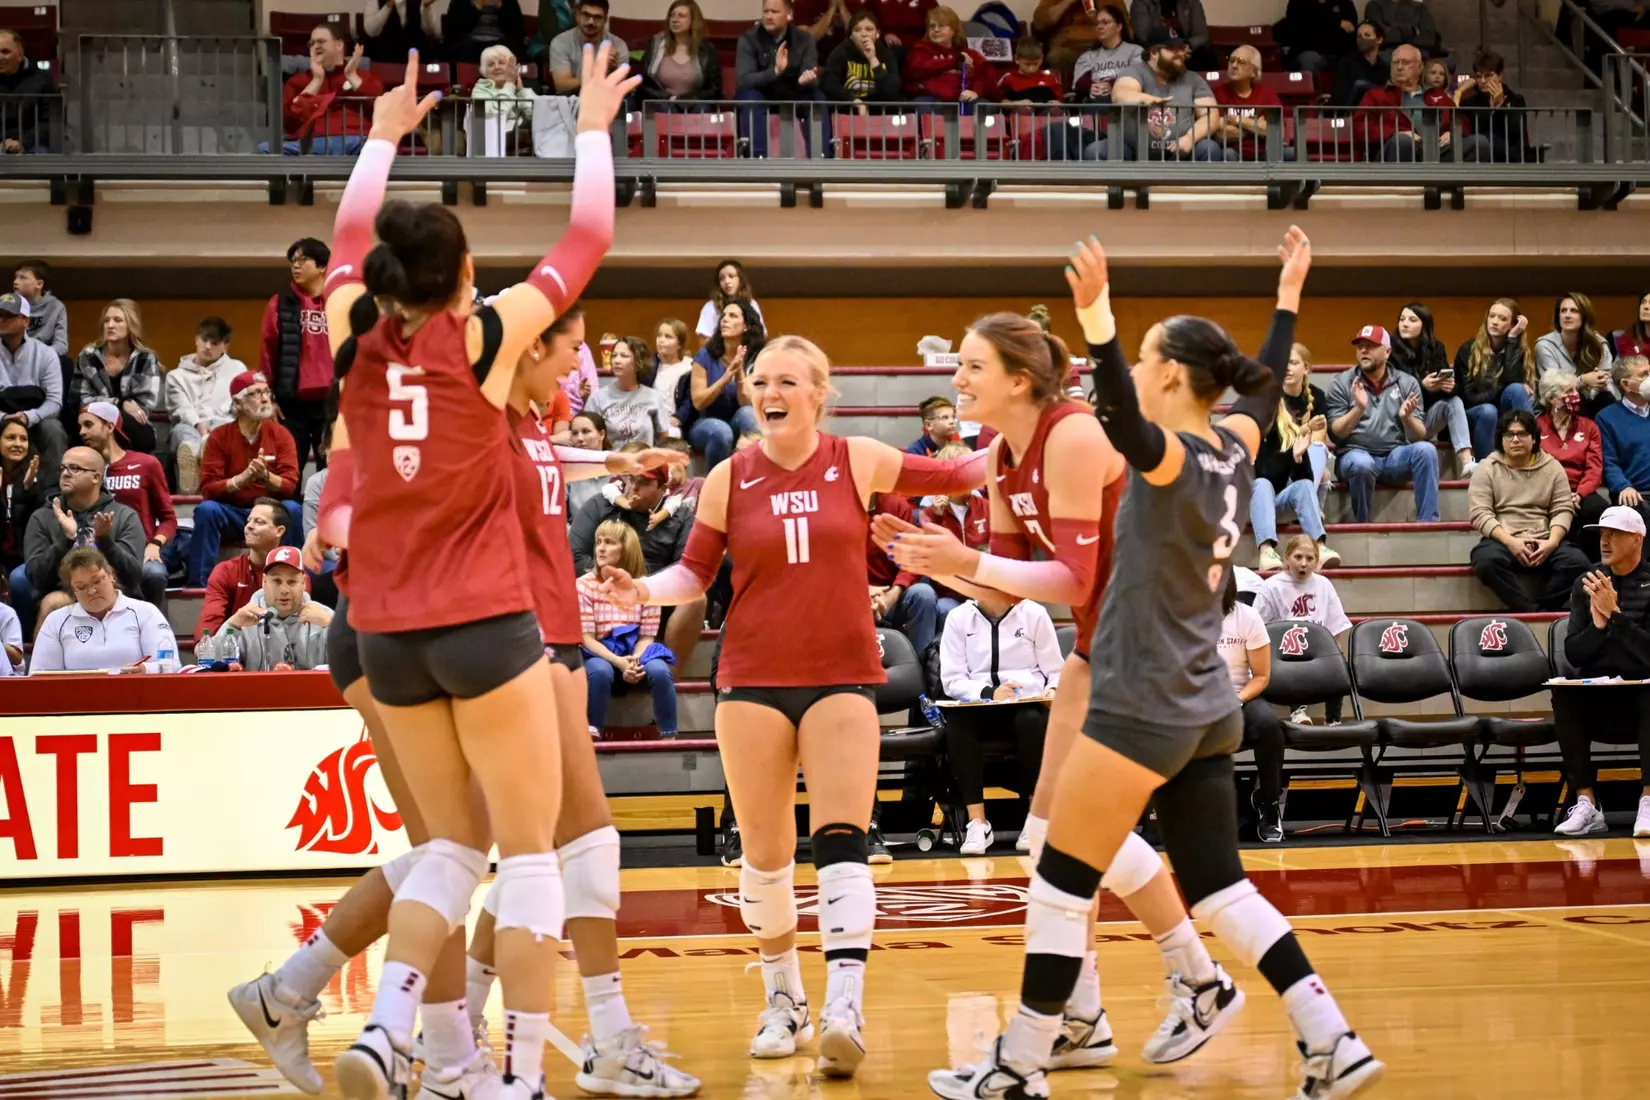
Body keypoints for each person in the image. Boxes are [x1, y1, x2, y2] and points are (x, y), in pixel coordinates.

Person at [926, 226, 1381, 1100]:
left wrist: (1095, 310)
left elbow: (1123, 416)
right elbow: (1252, 379)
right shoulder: (1236, 446)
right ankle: (1332, 1036)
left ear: (1171, 376)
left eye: (1141, 357)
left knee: (1060, 874)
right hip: (1212, 704)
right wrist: (1286, 301)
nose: (1129, 368)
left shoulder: (1167, 455)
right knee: (1220, 889)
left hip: (1143, 701)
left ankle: (1020, 1065)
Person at [314, 49, 637, 1100]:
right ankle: (522, 1075)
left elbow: (348, 236)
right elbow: (588, 235)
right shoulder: (492, 333)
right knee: (529, 853)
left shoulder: (349, 324)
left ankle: (386, 1024)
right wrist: (590, 123)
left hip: (387, 630)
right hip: (488, 620)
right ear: (463, 278)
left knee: (449, 844)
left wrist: (382, 131)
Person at [598, 332, 997, 1077]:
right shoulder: (729, 475)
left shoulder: (859, 460)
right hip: (751, 676)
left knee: (845, 838)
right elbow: (692, 574)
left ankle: (845, 1005)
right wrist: (642, 591)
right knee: (767, 854)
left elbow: (963, 474)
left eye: (788, 380)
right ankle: (784, 1000)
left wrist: (1029, 418)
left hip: (842, 669)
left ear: (820, 393)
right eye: (761, 382)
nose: (770, 392)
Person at [1552, 505, 1650, 839]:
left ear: (1637, 539)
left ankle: (1649, 800)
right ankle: (1587, 803)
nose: (1604, 541)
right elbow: (1575, 654)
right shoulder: (1587, 581)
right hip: (1602, 700)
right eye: (1601, 535)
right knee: (1565, 693)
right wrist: (1597, 625)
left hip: (1643, 700)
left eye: (1614, 534)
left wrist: (1616, 616)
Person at [938, 588, 1061, 854]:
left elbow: (1056, 672)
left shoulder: (1034, 614)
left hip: (1025, 703)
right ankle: (977, 823)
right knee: (958, 721)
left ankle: (1035, 818)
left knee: (1030, 720)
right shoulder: (958, 618)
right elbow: (952, 679)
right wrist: (989, 693)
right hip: (980, 705)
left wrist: (1052, 691)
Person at [1467, 408, 1591, 613]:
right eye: (1509, 434)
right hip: (1504, 539)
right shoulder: (1487, 468)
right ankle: (1530, 611)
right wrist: (1510, 541)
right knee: (1486, 561)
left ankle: (1546, 606)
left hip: (1544, 538)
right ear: (1502, 439)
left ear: (1534, 438)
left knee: (1578, 563)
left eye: (1522, 434)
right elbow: (1480, 514)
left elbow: (1562, 508)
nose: (1515, 439)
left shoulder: (1552, 467)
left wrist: (1552, 542)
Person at [187, 372, 303, 588]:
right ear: (238, 403)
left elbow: (289, 485)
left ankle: (294, 578)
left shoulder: (281, 435)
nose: (265, 398)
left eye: (266, 392)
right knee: (207, 510)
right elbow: (209, 489)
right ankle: (199, 586)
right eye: (256, 393)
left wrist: (265, 477)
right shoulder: (219, 436)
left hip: (270, 513)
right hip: (233, 512)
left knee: (293, 510)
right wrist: (242, 478)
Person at [15, 446, 145, 639]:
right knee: (52, 603)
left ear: (96, 477)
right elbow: (36, 578)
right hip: (64, 594)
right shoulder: (42, 517)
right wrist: (64, 541)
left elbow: (132, 577)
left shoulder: (124, 516)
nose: (65, 474)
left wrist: (105, 541)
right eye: (63, 468)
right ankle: (41, 669)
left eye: (74, 468)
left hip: (113, 595)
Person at [1327, 323, 1439, 523]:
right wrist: (1358, 409)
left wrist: (1407, 418)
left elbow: (1418, 435)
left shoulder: (1407, 383)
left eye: (1370, 346)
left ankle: (1428, 522)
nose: (1363, 350)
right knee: (1362, 464)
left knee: (1426, 450)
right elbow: (1337, 434)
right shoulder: (1342, 382)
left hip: (1393, 457)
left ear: (1387, 352)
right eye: (1360, 346)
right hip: (1354, 454)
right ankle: (1363, 526)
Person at [580, 520, 680, 738]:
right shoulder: (583, 585)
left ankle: (669, 736)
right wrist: (618, 662)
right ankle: (592, 735)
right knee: (599, 672)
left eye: (609, 542)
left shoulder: (645, 587)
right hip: (598, 650)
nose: (601, 548)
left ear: (626, 549)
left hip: (635, 649)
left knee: (660, 671)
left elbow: (646, 636)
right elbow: (586, 639)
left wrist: (633, 661)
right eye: (598, 542)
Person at [77, 401, 177, 608]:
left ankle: (154, 631)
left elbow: (169, 518)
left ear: (109, 426)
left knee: (154, 574)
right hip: (95, 549)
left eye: (88, 425)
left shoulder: (146, 464)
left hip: (138, 550)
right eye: (80, 426)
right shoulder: (81, 468)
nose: (81, 432)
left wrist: (154, 545)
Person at [1251, 343, 1336, 570]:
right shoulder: (1263, 422)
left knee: (1305, 484)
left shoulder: (1314, 398)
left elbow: (1305, 478)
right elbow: (1265, 474)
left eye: (1293, 362)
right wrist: (1298, 442)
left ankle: (1319, 546)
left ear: (1306, 368)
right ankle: (1267, 552)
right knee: (1260, 484)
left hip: (1286, 499)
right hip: (1262, 503)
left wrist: (1298, 458)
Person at [29, 547, 179, 673]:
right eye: (81, 587)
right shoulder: (56, 621)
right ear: (73, 591)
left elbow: (171, 665)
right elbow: (40, 675)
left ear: (110, 575)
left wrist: (145, 669)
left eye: (96, 581)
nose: (92, 591)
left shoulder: (145, 613)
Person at [1215, 569, 1283, 842]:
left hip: (1239, 696)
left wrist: (1237, 700)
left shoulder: (1247, 616)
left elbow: (1263, 676)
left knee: (1268, 726)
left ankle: (1269, 803)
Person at [260, 238, 336, 474]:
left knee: (331, 474)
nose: (296, 265)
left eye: (303, 259)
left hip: (333, 404)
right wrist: (268, 397)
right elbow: (267, 351)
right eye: (292, 260)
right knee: (288, 473)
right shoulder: (280, 303)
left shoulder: (339, 300)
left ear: (323, 266)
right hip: (291, 404)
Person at [1357, 44, 1491, 163]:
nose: (1399, 67)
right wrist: (1396, 133)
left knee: (1480, 143)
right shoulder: (1375, 95)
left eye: (1405, 62)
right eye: (1395, 63)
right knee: (1403, 143)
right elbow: (1358, 127)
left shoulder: (1438, 95)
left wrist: (1453, 133)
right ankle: (1407, 190)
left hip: (1438, 150)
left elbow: (1462, 123)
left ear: (1420, 67)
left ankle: (1455, 189)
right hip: (1399, 150)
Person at [1104, 28, 1221, 161]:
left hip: (1179, 153)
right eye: (1173, 48)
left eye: (1181, 48)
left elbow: (1211, 114)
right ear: (1154, 52)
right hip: (1135, 152)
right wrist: (1148, 99)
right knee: (1097, 150)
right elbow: (1120, 93)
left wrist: (1190, 138)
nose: (1180, 53)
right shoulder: (1135, 71)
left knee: (1209, 148)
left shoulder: (1193, 79)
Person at [210, 545, 334, 669]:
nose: (284, 590)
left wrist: (332, 626)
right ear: (264, 582)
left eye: (292, 582)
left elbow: (349, 667)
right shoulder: (246, 618)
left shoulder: (325, 616)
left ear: (303, 582)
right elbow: (210, 665)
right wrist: (232, 625)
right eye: (277, 581)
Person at [1391, 301, 1475, 473]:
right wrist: (1421, 386)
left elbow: (1451, 390)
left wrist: (1448, 387)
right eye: (1402, 319)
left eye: (1412, 320)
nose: (1405, 324)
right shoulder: (1390, 351)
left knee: (1454, 401)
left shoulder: (1436, 348)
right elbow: (1393, 393)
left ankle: (1467, 462)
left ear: (1424, 325)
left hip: (1425, 419)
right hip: (1400, 421)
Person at [274, 25, 385, 155]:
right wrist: (316, 80)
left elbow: (381, 108)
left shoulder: (363, 76)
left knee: (380, 148)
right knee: (265, 150)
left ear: (339, 45)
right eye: (312, 43)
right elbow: (290, 121)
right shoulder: (298, 81)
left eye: (321, 41)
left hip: (355, 141)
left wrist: (351, 76)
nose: (316, 46)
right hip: (311, 143)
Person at [197, 499, 300, 637]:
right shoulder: (225, 571)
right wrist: (234, 622)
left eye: (259, 522)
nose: (249, 526)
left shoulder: (296, 573)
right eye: (248, 521)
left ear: (279, 531)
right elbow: (206, 635)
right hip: (235, 652)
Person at [735, 0, 826, 155]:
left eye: (775, 12)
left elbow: (810, 73)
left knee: (817, 97)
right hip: (761, 93)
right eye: (766, 12)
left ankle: (821, 156)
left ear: (789, 15)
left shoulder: (805, 39)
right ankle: (758, 157)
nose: (769, 16)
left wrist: (805, 80)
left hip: (794, 91)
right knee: (750, 97)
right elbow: (744, 80)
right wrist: (775, 72)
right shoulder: (748, 39)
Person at [1450, 298, 1536, 462]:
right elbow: (1469, 398)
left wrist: (1512, 339)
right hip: (1473, 415)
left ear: (1512, 325)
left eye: (1503, 319)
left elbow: (1512, 384)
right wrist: (1502, 386)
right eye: (1492, 316)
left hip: (1502, 414)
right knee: (1489, 411)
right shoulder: (1468, 350)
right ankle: (1487, 467)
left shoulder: (1517, 350)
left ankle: (1534, 453)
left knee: (1517, 390)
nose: (1495, 322)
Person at [167, 316, 246, 494]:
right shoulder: (176, 376)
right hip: (190, 427)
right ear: (196, 340)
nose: (208, 346)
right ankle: (193, 463)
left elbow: (241, 403)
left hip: (223, 425)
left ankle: (204, 456)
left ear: (225, 346)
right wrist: (199, 425)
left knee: (226, 430)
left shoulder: (237, 369)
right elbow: (181, 408)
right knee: (183, 433)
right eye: (204, 340)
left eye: (215, 342)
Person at [73, 299, 161, 455]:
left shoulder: (145, 358)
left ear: (131, 325)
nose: (110, 325)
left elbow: (146, 403)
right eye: (107, 321)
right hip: (93, 419)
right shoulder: (88, 356)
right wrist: (120, 403)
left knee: (139, 433)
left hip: (132, 423)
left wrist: (116, 409)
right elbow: (82, 400)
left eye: (118, 320)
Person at [1537, 368, 1607, 558]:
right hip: (1549, 492)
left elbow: (1594, 469)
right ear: (1552, 399)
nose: (1575, 396)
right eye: (1568, 392)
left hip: (1581, 491)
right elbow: (1534, 468)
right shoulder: (1536, 427)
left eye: (1576, 391)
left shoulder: (1589, 426)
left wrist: (1579, 495)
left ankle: (1593, 565)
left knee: (1598, 509)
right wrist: (1562, 495)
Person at [0, 290, 67, 486]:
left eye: (9, 316)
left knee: (53, 428)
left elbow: (54, 402)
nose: (2, 320)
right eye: (0, 315)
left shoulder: (46, 354)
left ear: (26, 321)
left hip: (34, 418)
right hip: (1, 415)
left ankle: (55, 490)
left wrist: (28, 417)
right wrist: (4, 417)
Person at [686, 300, 763, 469]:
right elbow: (698, 402)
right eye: (723, 316)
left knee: (749, 413)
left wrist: (740, 372)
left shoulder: (755, 357)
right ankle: (717, 485)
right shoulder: (705, 355)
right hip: (705, 423)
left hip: (737, 420)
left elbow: (746, 402)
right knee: (721, 431)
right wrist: (725, 378)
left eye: (732, 316)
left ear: (746, 326)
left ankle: (756, 477)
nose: (724, 320)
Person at [1535, 292, 1616, 421]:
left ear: (1584, 316)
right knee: (1576, 399)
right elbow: (1553, 389)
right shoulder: (1545, 345)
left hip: (1593, 400)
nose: (1567, 315)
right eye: (1563, 311)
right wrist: (1582, 381)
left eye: (1573, 311)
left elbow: (1609, 382)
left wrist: (1599, 384)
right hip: (1557, 405)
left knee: (1607, 399)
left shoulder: (1599, 344)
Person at [586, 336, 674, 448]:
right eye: (614, 356)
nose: (617, 361)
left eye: (624, 356)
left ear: (638, 362)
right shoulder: (597, 398)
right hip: (610, 462)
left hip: (644, 461)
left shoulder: (654, 397)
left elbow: (664, 441)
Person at [1595, 348, 1650, 527]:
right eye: (1644, 375)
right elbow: (1609, 462)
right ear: (1626, 384)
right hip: (1635, 491)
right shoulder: (1606, 417)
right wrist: (1623, 486)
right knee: (1635, 512)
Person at [902, 6, 997, 105]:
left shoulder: (969, 54)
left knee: (983, 106)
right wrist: (953, 62)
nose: (936, 30)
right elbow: (915, 70)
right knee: (924, 104)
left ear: (954, 29)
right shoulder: (920, 50)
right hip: (931, 99)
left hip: (962, 100)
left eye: (941, 25)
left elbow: (986, 78)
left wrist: (976, 92)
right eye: (932, 26)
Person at [638, 0, 725, 104]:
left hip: (695, 107)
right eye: (672, 15)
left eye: (681, 16)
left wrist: (688, 101)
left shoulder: (707, 50)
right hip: (660, 104)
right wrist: (668, 99)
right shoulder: (655, 45)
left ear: (693, 20)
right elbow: (643, 83)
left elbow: (715, 90)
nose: (675, 20)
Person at [1211, 45, 1286, 162]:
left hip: (1264, 152)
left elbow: (1277, 132)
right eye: (1231, 60)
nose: (1234, 65)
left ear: (1254, 71)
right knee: (1227, 154)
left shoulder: (1267, 94)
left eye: (1241, 62)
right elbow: (1219, 133)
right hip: (1233, 152)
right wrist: (1257, 127)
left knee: (1292, 153)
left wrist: (1238, 120)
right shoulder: (1218, 93)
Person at [822, 10, 903, 107]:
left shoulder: (886, 54)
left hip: (880, 110)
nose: (864, 34)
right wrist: (853, 100)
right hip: (849, 110)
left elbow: (891, 92)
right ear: (851, 36)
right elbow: (830, 85)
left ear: (877, 34)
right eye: (857, 30)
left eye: (869, 29)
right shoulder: (840, 53)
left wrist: (873, 59)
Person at [549, 0, 627, 92]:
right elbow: (562, 86)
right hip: (573, 99)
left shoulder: (618, 45)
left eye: (597, 17)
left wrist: (614, 70)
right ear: (577, 16)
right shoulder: (560, 42)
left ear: (605, 20)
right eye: (586, 15)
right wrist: (598, 74)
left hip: (605, 98)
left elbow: (622, 89)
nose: (591, 22)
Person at [1071, 5, 1142, 103]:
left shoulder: (1135, 51)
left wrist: (1113, 85)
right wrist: (1090, 87)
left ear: (1118, 27)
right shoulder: (1087, 57)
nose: (1099, 27)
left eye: (1105, 22)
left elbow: (1139, 77)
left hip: (1124, 103)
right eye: (1097, 23)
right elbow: (1078, 84)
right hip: (1094, 103)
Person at [0, 419, 42, 575]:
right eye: (10, 438)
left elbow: (38, 524)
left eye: (23, 439)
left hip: (25, 558)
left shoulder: (37, 473)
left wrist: (28, 488)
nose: (18, 444)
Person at [1276, 0, 1357, 75]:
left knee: (1354, 61)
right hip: (1310, 51)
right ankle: (1311, 89)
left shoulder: (1344, 3)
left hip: (1339, 54)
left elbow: (1351, 28)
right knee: (1308, 58)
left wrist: (1321, 25)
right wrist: (1336, 23)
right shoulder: (1298, 3)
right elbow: (1302, 24)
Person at [695, 260, 764, 343]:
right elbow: (704, 338)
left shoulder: (752, 303)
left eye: (731, 276)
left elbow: (761, 335)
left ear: (740, 280)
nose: (726, 282)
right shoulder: (711, 306)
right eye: (721, 279)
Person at [445, 0, 529, 65]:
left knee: (513, 51)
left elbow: (517, 30)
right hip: (469, 41)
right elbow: (456, 29)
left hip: (501, 41)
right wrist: (477, 6)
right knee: (461, 51)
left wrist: (501, 6)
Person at [12, 260, 67, 356]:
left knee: (65, 363)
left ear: (39, 284)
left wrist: (37, 356)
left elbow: (61, 345)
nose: (15, 282)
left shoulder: (56, 306)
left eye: (22, 278)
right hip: (13, 357)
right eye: (16, 277)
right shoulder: (7, 304)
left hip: (44, 358)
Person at [361, 0, 442, 63]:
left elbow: (431, 31)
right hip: (383, 58)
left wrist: (427, 7)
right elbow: (370, 31)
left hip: (415, 59)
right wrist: (388, 6)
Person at [1331, 19, 1387, 106]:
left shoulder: (1385, 68)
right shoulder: (1346, 64)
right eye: (1359, 36)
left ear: (1379, 40)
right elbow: (1341, 99)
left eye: (1367, 35)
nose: (1362, 39)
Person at [651, 318, 694, 425]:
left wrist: (678, 418)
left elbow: (689, 400)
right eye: (659, 335)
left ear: (680, 344)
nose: (661, 340)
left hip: (676, 422)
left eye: (668, 337)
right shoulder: (651, 365)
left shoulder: (688, 367)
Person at [998, 38, 1065, 105]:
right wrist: (1015, 103)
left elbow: (1061, 101)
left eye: (1035, 64)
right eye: (1027, 64)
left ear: (1041, 59)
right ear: (1017, 59)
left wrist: (1057, 103)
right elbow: (1000, 101)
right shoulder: (1009, 79)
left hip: (1047, 113)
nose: (1031, 68)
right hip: (1017, 113)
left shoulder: (1050, 78)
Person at [566, 411, 610, 513]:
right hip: (577, 528)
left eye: (585, 431)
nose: (579, 438)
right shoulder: (567, 473)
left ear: (602, 434)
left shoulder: (618, 469)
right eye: (574, 433)